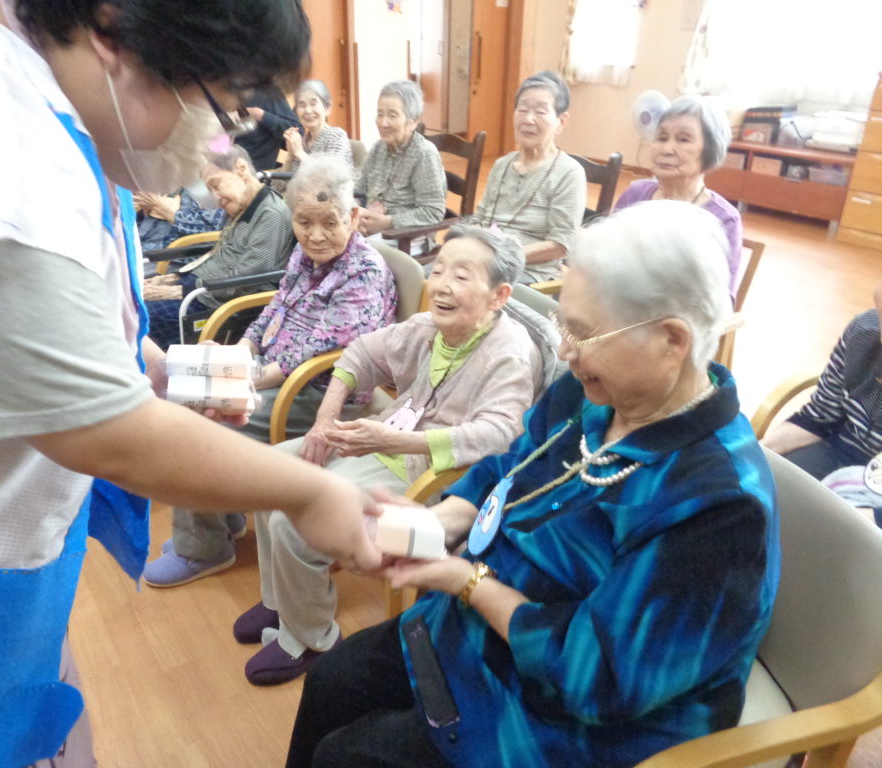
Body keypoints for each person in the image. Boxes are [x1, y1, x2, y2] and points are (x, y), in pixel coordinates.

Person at [0, 1, 382, 766]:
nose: (219, 141)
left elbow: (65, 319)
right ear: (113, 32)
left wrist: (154, 365)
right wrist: (308, 493)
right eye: (218, 106)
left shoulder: (47, 115)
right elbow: (102, 429)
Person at [285, 201, 780, 768]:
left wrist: (465, 579)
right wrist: (436, 522)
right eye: (565, 324)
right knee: (331, 681)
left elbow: (597, 680)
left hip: (567, 716)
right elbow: (509, 468)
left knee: (347, 758)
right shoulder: (589, 395)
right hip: (479, 628)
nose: (565, 350)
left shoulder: (718, 506)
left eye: (584, 333)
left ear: (672, 340)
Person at [233, 224, 548, 686]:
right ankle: (281, 600)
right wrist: (325, 420)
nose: (441, 285)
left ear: (499, 295)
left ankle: (311, 638)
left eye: (461, 276)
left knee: (293, 520)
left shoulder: (509, 354)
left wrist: (393, 441)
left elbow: (500, 436)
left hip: (432, 472)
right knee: (272, 474)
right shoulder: (430, 327)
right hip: (384, 438)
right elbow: (361, 352)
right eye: (438, 270)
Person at [143, 154, 398, 587]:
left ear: (354, 217)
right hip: (274, 374)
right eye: (303, 222)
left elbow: (319, 354)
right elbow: (272, 311)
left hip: (320, 392)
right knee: (181, 394)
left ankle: (203, 548)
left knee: (195, 425)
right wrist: (240, 352)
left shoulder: (364, 274)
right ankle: (217, 521)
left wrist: (242, 375)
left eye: (330, 222)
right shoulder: (304, 255)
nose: (315, 235)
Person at [143, 145, 294, 349]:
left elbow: (240, 284)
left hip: (219, 304)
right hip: (201, 287)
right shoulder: (242, 205)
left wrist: (172, 291)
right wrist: (170, 279)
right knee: (132, 301)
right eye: (210, 190)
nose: (215, 197)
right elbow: (217, 254)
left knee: (139, 316)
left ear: (241, 169)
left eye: (216, 185)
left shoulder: (271, 215)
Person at [615, 95, 743, 300]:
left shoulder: (724, 219)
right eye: (662, 138)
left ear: (710, 150)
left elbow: (721, 301)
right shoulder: (636, 194)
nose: (666, 149)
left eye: (683, 139)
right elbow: (603, 259)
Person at [471, 71, 586, 284]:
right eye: (522, 109)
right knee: (426, 277)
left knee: (461, 288)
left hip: (530, 272)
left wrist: (504, 256)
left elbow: (561, 244)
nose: (528, 119)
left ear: (561, 122)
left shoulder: (569, 173)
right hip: (485, 261)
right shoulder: (502, 165)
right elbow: (480, 218)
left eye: (540, 111)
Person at [762, 280, 882, 484]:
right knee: (758, 483)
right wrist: (757, 452)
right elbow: (819, 417)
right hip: (838, 451)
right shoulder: (863, 331)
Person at [356, 80, 446, 248]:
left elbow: (433, 212)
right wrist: (357, 213)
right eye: (380, 114)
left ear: (413, 121)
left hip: (406, 238)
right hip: (371, 230)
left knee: (349, 250)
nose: (383, 123)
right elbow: (358, 190)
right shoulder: (378, 147)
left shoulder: (424, 153)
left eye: (392, 115)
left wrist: (388, 222)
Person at [282, 79, 353, 175]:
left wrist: (300, 153)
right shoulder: (303, 141)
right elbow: (280, 183)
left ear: (327, 108)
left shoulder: (336, 137)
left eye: (313, 104)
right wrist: (290, 156)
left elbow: (332, 178)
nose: (307, 110)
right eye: (302, 105)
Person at [134, 187, 227, 252]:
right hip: (140, 249)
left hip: (171, 258)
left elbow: (209, 233)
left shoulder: (205, 189)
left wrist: (162, 208)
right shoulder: (162, 184)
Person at [235, 85, 302, 172]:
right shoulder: (221, 91)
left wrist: (260, 115)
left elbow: (297, 131)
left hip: (259, 173)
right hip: (225, 167)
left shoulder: (267, 92)